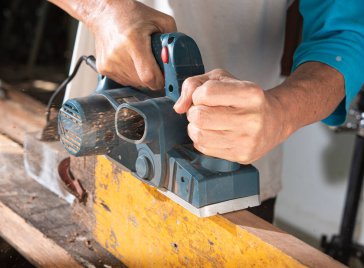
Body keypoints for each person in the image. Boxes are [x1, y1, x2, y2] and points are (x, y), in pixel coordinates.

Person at [49, 0, 364, 222]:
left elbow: (345, 34)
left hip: (236, 154)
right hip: (101, 147)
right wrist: (99, 8)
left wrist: (280, 111)